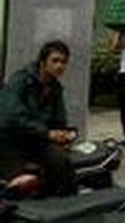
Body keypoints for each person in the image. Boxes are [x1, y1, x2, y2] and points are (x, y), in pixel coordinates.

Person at [0, 40, 77, 196]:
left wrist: (65, 134)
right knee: (22, 184)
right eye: (55, 61)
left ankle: (65, 204)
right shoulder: (21, 80)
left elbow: (59, 120)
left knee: (62, 163)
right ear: (43, 62)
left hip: (37, 141)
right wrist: (46, 133)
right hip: (10, 141)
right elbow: (10, 117)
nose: (60, 66)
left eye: (63, 62)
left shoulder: (55, 88)